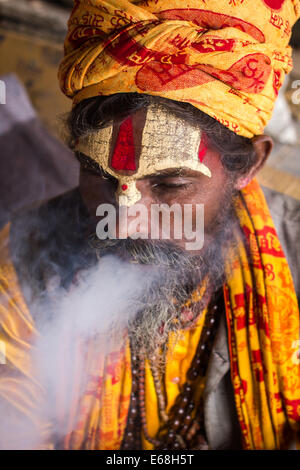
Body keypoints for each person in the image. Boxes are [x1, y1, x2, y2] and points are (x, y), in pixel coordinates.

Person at [0, 0, 300, 450]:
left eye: (171, 183)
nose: (127, 220)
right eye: (100, 176)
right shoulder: (24, 255)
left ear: (248, 166)